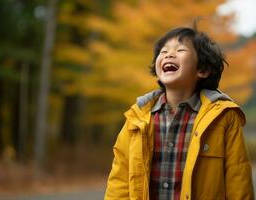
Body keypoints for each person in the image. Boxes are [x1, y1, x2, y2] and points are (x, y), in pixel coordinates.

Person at [104, 26, 254, 200]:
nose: (169, 54)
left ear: (202, 70)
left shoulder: (224, 118)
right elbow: (119, 181)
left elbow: (238, 179)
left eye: (180, 50)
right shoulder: (137, 119)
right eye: (163, 51)